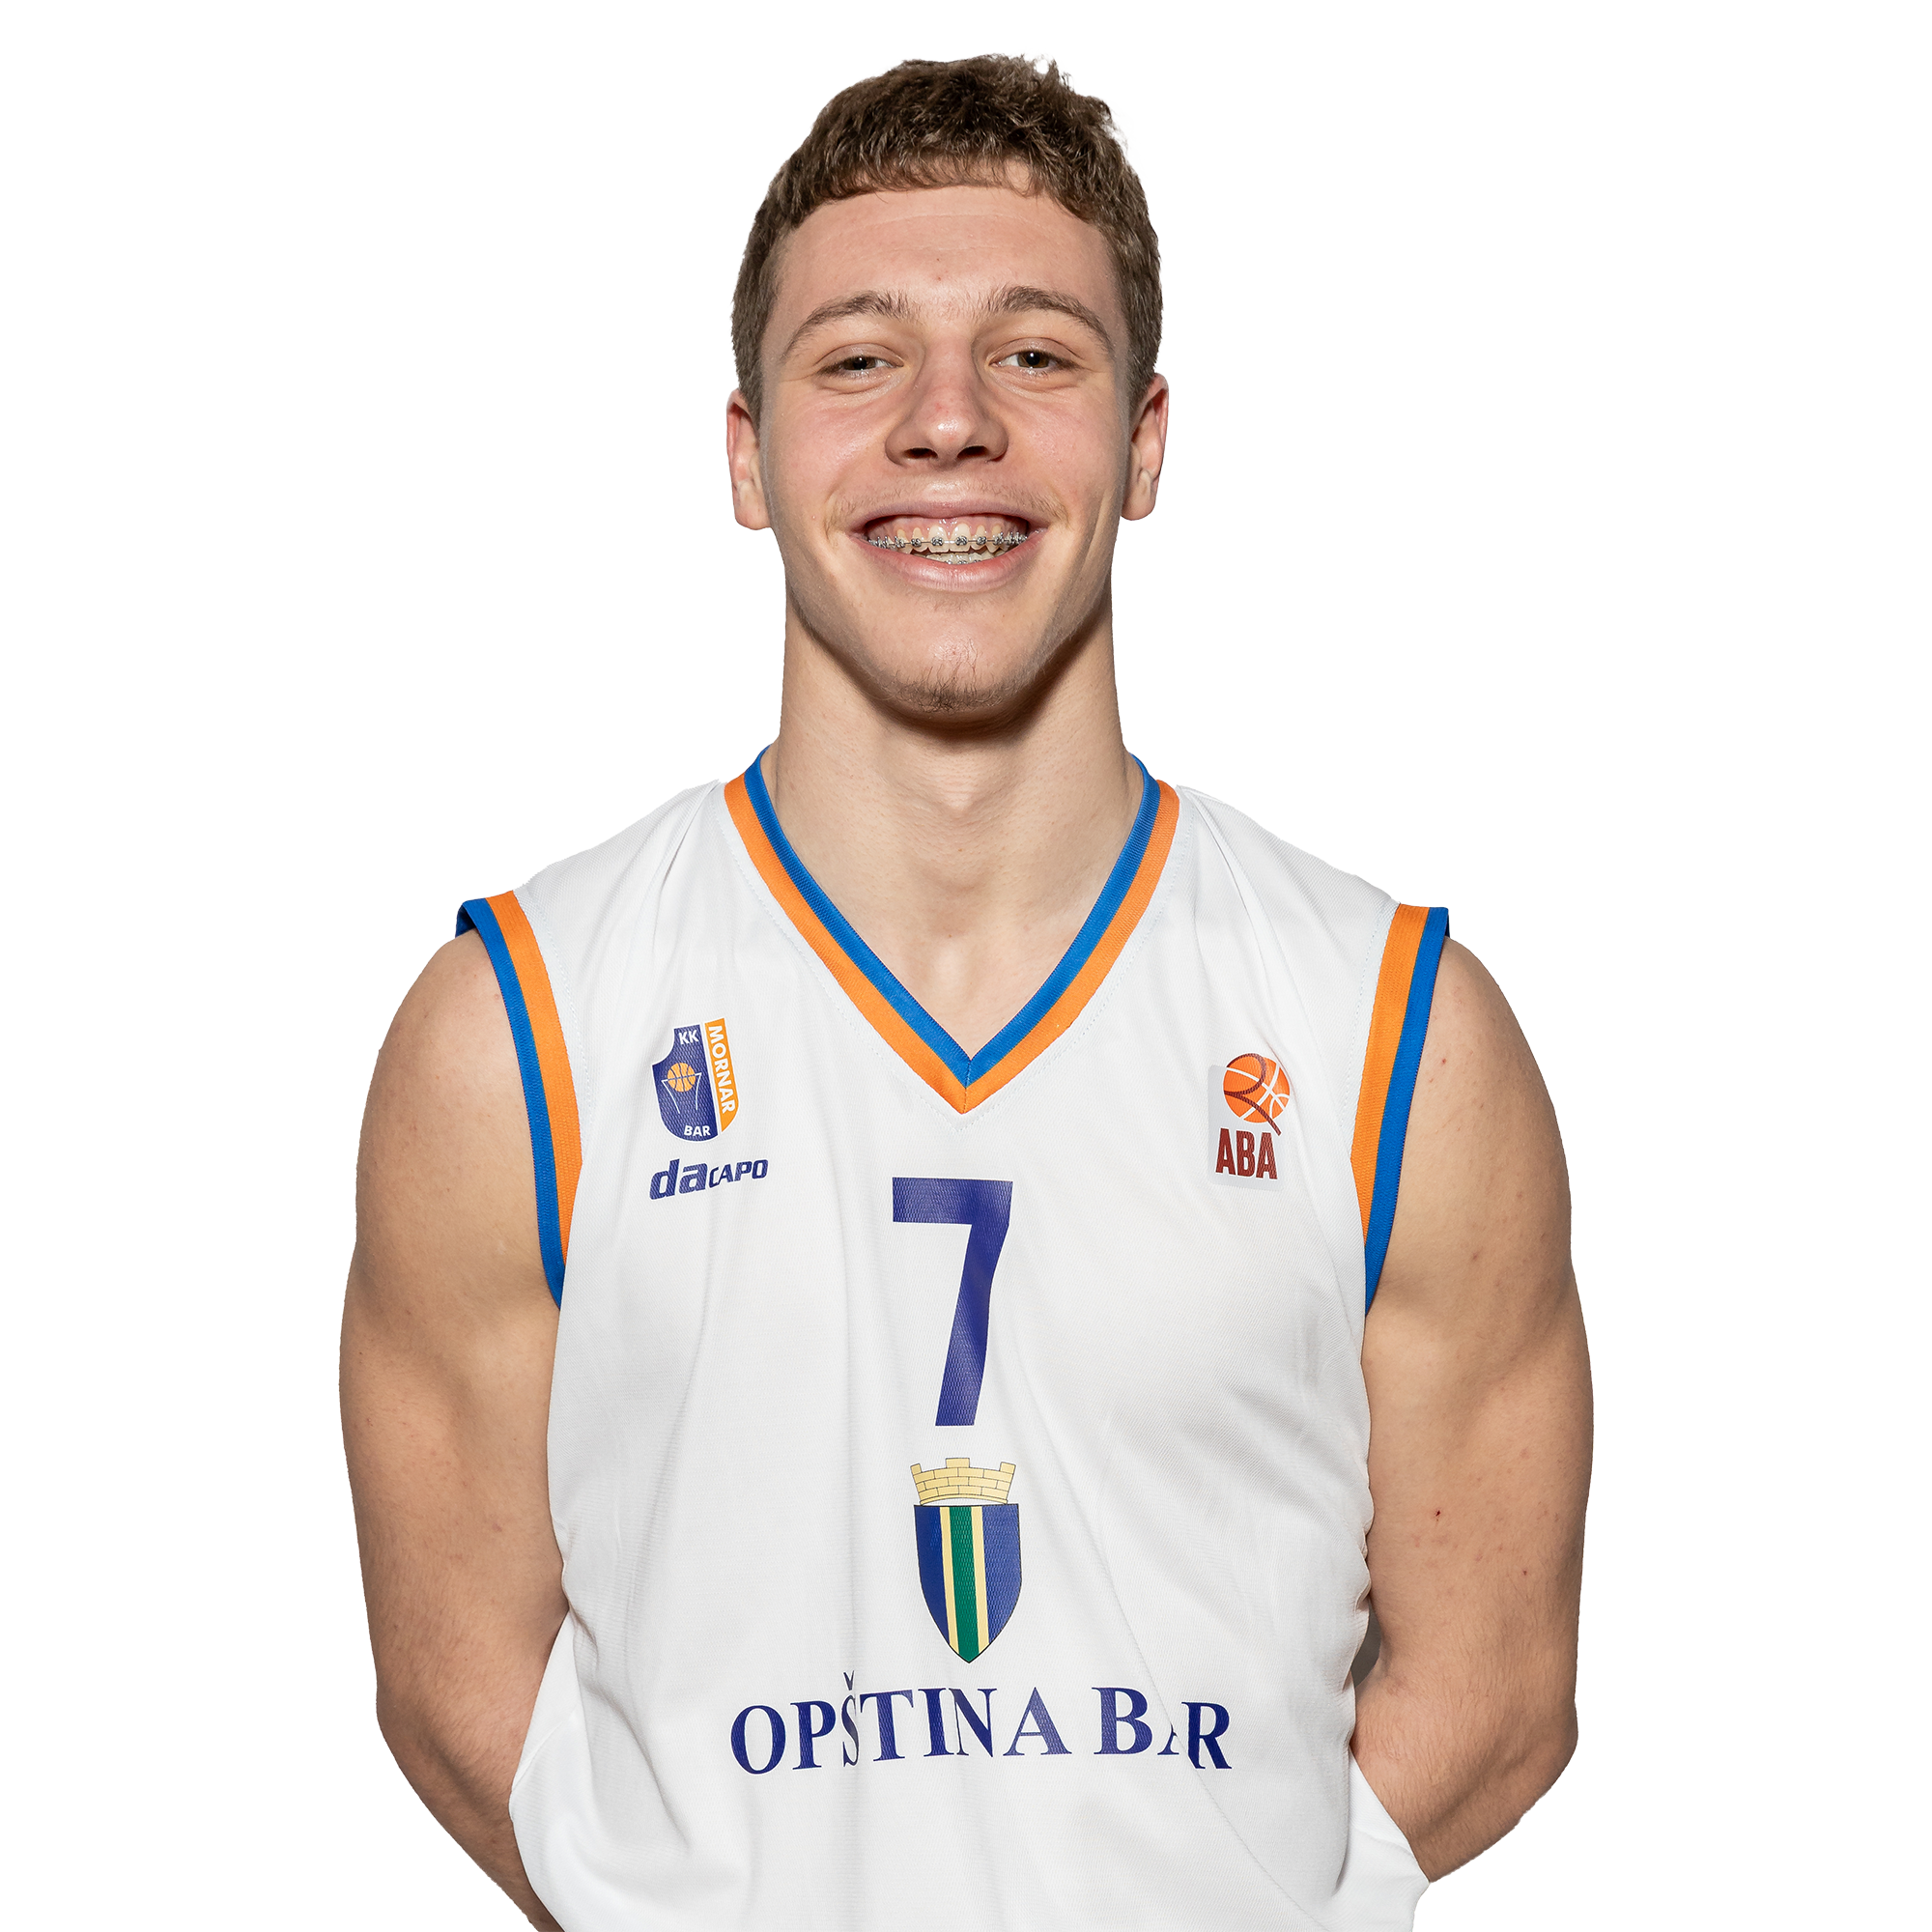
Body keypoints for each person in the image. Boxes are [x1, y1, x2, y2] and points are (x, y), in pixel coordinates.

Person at [340, 51, 1591, 1932]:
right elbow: (459, 1693)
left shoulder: (1396, 1029)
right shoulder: (512, 1032)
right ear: (748, 456)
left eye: (1034, 354)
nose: (948, 421)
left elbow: (1494, 1689)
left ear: (1145, 444)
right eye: (857, 358)